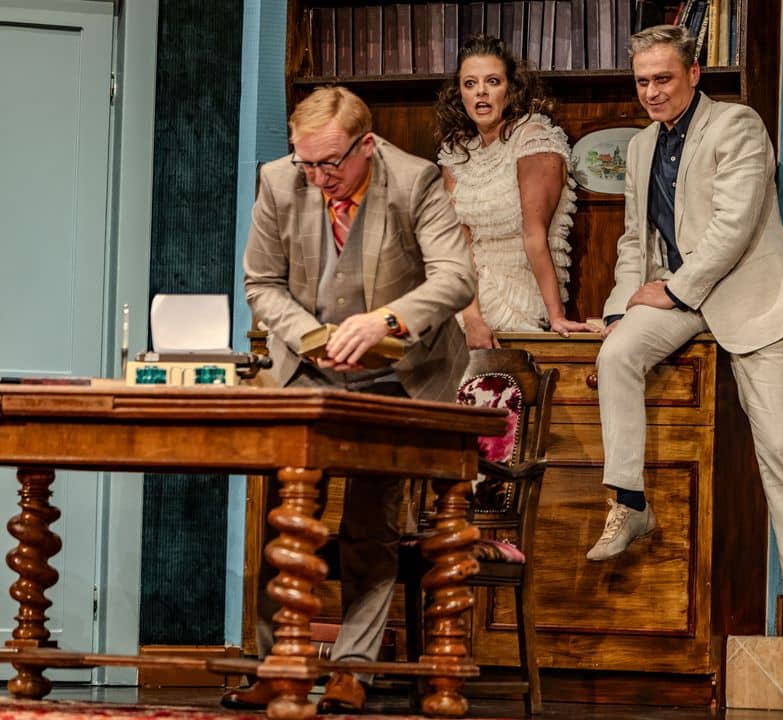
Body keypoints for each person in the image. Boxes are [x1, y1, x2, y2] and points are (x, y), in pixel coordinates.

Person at [225, 86, 475, 711]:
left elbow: (456, 278)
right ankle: (277, 664)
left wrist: (385, 321)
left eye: (330, 163)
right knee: (287, 517)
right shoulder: (279, 181)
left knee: (371, 521)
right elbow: (262, 282)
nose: (318, 177)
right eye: (306, 162)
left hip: (400, 370)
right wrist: (311, 336)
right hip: (310, 366)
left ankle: (353, 670)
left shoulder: (414, 180)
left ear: (367, 145)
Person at [584, 25, 783, 650]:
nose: (652, 92)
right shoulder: (641, 145)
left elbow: (733, 227)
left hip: (745, 295)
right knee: (617, 354)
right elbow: (636, 239)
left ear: (694, 74)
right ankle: (630, 502)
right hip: (678, 294)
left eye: (663, 78)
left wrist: (672, 290)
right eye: (642, 81)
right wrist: (618, 311)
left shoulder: (737, 125)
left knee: (779, 445)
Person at [434, 35, 596, 347]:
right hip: (468, 294)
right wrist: (472, 317)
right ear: (460, 95)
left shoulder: (533, 139)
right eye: (470, 84)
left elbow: (535, 235)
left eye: (492, 81)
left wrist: (556, 316)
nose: (481, 92)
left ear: (510, 89)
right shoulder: (457, 153)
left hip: (519, 292)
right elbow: (459, 246)